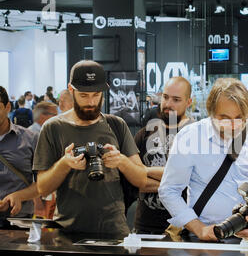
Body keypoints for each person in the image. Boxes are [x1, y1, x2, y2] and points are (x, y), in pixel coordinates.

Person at [33, 60, 147, 236]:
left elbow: (141, 179)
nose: (91, 102)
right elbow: (43, 188)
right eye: (84, 95)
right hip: (67, 232)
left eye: (96, 95)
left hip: (114, 231)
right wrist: (64, 164)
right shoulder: (53, 128)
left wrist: (121, 161)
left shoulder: (116, 125)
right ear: (71, 90)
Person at [158, 78, 248, 241]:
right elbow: (169, 190)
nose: (232, 125)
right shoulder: (191, 137)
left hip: (247, 238)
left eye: (239, 118)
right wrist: (199, 229)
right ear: (211, 112)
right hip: (201, 237)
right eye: (224, 118)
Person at [134, 77, 193, 234]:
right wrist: (174, 185)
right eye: (165, 97)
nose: (168, 104)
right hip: (146, 226)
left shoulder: (197, 135)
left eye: (176, 99)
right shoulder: (144, 134)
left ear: (189, 102)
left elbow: (193, 181)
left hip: (188, 226)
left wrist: (144, 172)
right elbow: (133, 180)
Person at [0, 86, 40, 229]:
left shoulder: (30, 139)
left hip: (19, 221)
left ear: (8, 107)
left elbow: (43, 183)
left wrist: (19, 196)